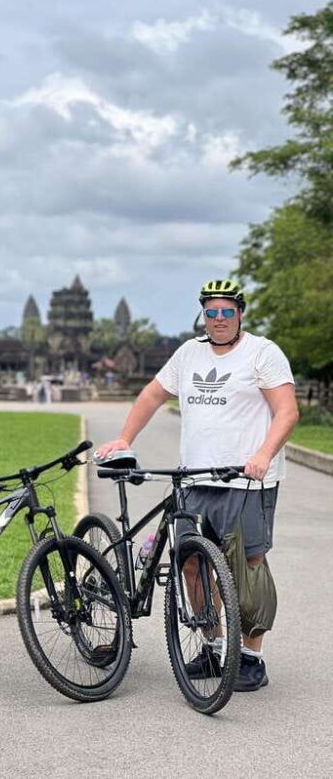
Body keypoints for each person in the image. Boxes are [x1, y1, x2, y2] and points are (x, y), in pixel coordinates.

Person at [96, 279, 299, 692]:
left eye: (227, 311)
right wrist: (124, 439)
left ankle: (251, 657)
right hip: (194, 479)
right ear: (203, 314)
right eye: (211, 312)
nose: (219, 319)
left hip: (246, 482)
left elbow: (287, 411)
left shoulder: (263, 353)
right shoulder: (189, 353)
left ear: (240, 313)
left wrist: (263, 454)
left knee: (247, 569)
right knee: (192, 564)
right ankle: (212, 646)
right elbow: (152, 395)